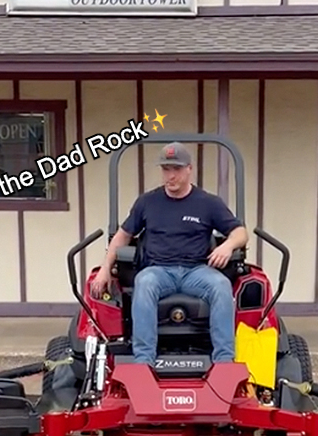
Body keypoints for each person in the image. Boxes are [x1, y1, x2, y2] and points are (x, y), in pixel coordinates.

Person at [90, 142, 248, 366]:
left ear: (189, 169)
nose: (170, 175)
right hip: (159, 271)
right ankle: (144, 361)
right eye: (166, 169)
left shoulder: (208, 203)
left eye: (176, 169)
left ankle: (224, 362)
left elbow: (241, 233)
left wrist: (227, 246)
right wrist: (105, 269)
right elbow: (122, 236)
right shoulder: (147, 202)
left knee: (221, 285)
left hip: (196, 271)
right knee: (143, 282)